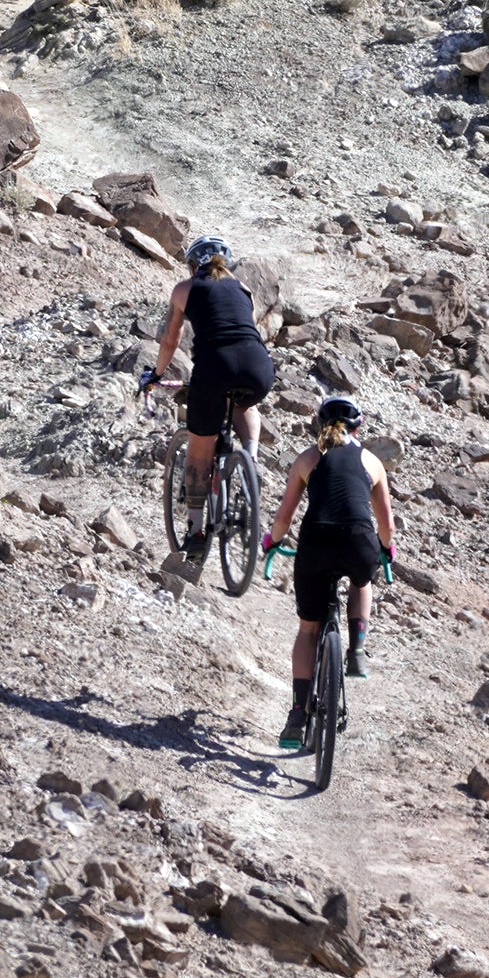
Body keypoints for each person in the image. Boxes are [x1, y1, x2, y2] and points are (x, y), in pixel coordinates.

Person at [262, 395, 394, 751]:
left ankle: (296, 714)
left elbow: (284, 519)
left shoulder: (308, 458)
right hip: (358, 541)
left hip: (316, 542)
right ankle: (357, 651)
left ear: (320, 423)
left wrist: (269, 543)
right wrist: (386, 550)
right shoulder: (372, 461)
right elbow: (386, 524)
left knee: (308, 629)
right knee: (362, 581)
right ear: (358, 426)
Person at [142, 235, 275, 556]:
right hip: (259, 365)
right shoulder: (244, 289)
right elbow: (244, 328)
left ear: (191, 266)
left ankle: (197, 532)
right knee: (244, 401)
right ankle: (251, 458)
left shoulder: (184, 290)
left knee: (199, 455)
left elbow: (170, 340)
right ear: (225, 263)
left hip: (215, 366)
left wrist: (157, 374)